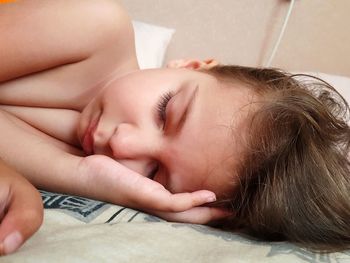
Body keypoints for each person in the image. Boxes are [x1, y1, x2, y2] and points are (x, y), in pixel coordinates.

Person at [0, 0, 349, 255]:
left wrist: (84, 175)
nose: (123, 145)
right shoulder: (96, 27)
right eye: (164, 111)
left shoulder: (88, 161)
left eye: (154, 174)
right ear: (192, 64)